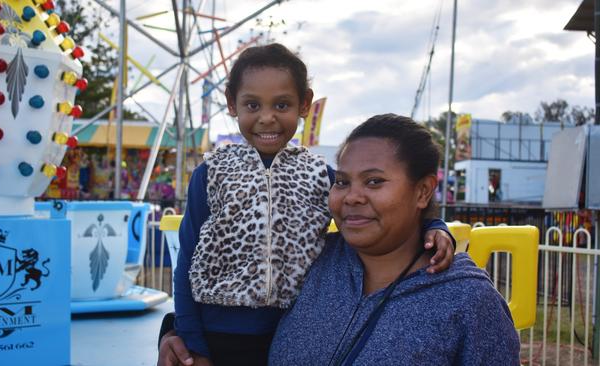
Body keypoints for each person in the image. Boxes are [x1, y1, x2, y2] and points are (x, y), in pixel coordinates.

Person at [159, 44, 456, 366]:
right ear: (232, 104)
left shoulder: (319, 175)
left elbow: (365, 209)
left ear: (304, 104)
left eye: (282, 104)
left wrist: (435, 227)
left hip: (295, 329)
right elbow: (187, 259)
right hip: (217, 332)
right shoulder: (212, 172)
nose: (267, 118)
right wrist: (193, 344)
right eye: (252, 105)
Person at [269, 114, 519, 365]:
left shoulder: (469, 300)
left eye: (374, 181)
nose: (352, 197)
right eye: (342, 182)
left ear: (423, 192)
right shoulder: (310, 259)